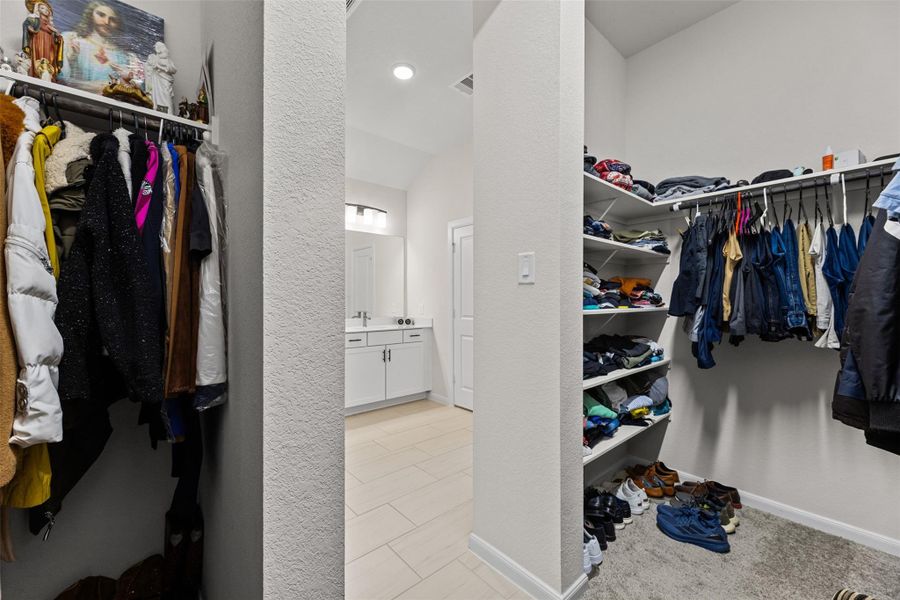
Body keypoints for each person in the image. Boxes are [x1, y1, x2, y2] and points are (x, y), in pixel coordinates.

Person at [59, 1, 140, 92]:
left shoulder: (124, 56)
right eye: (101, 15)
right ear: (90, 16)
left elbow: (131, 87)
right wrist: (72, 59)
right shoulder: (73, 41)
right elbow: (64, 80)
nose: (106, 22)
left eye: (112, 19)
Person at [21, 1, 64, 81]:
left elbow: (56, 39)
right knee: (38, 56)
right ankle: (36, 74)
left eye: (47, 8)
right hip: (38, 40)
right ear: (38, 9)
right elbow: (26, 24)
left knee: (50, 59)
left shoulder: (51, 26)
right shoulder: (35, 20)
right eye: (42, 8)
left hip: (49, 44)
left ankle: (49, 75)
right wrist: (29, 27)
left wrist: (58, 38)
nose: (45, 10)